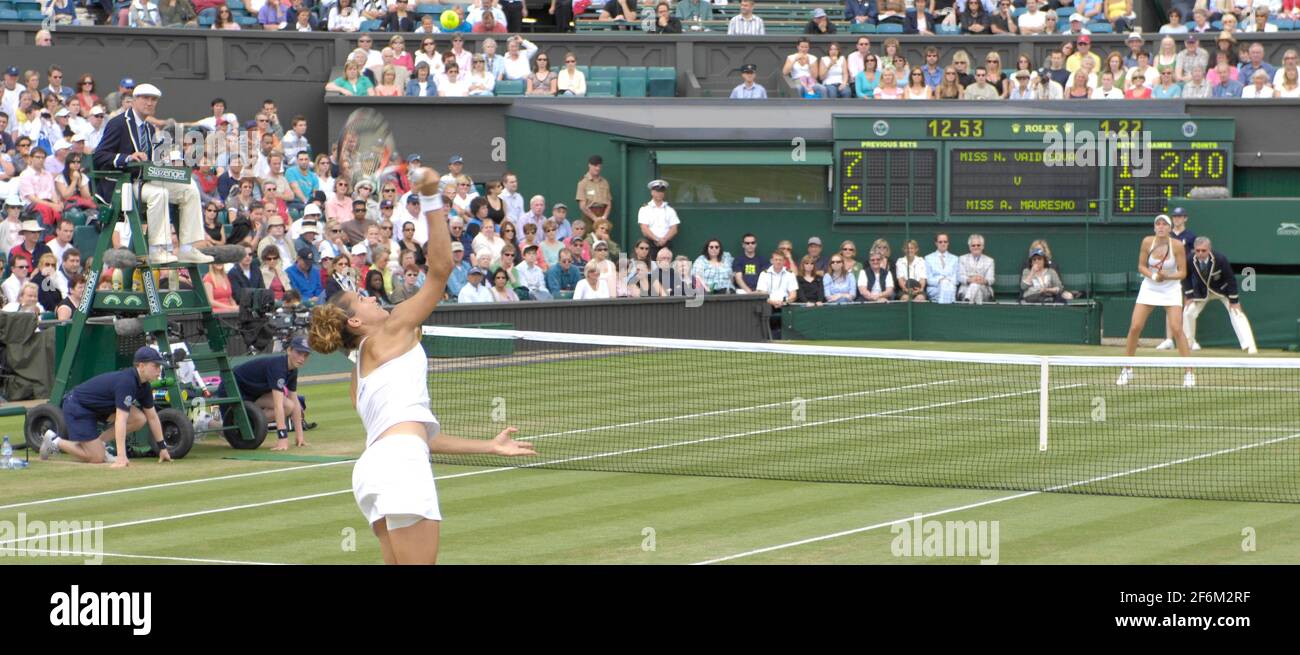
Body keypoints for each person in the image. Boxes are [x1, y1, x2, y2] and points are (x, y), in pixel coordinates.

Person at [307, 169, 534, 563]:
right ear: (356, 323)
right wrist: (431, 197)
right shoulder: (393, 328)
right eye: (363, 300)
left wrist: (490, 447)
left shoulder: (358, 370)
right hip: (400, 466)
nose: (372, 299)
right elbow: (441, 270)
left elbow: (418, 436)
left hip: (374, 471)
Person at [92, 83, 212, 265]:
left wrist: (165, 161)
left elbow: (149, 161)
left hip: (144, 181)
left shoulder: (148, 128)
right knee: (159, 193)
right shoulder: (118, 123)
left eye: (153, 99)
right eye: (145, 98)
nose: (149, 103)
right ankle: (158, 249)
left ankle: (187, 248)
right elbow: (99, 156)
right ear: (133, 100)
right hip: (121, 185)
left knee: (190, 188)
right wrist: (127, 157)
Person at [38, 347, 174, 467]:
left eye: (159, 366)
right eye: (155, 366)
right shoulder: (127, 382)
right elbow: (121, 420)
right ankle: (54, 440)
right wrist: (121, 457)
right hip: (78, 406)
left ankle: (99, 444)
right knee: (96, 458)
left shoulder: (144, 386)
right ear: (141, 366)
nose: (158, 370)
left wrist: (162, 448)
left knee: (139, 418)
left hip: (101, 408)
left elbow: (152, 417)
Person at [1117, 214, 1194, 388]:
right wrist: (1153, 275)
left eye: (1164, 224)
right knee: (1135, 326)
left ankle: (1189, 372)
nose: (1160, 227)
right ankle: (1126, 369)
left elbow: (1182, 272)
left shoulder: (1177, 246)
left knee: (1176, 328)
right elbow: (1141, 266)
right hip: (1150, 287)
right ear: (1154, 228)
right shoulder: (1147, 242)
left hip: (1171, 288)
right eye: (1158, 224)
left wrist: (1167, 276)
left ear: (1169, 228)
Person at [219, 337, 313, 450]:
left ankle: (247, 424)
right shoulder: (278, 367)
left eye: (305, 355)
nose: (301, 358)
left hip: (253, 394)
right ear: (289, 350)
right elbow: (278, 405)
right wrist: (282, 439)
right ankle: (211, 423)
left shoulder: (292, 369)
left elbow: (295, 402)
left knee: (289, 406)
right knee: (227, 429)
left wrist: (300, 436)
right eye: (298, 353)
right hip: (231, 389)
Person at [1182, 236, 1257, 354]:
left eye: (1203, 250)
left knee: (1237, 313)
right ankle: (1189, 343)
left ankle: (1249, 345)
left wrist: (1234, 301)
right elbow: (1185, 277)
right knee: (1188, 312)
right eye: (1197, 250)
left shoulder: (1220, 258)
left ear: (1209, 249)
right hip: (1202, 293)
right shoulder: (1190, 259)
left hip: (1222, 291)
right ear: (1194, 250)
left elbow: (1230, 279)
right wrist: (1189, 296)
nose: (1200, 253)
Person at [757, 250, 797, 338]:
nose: (778, 262)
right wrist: (773, 302)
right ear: (772, 260)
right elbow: (762, 295)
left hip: (785, 305)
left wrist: (784, 302)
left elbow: (793, 295)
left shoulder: (790, 274)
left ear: (784, 261)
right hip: (768, 304)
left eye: (780, 260)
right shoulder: (764, 274)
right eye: (776, 259)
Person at [637, 179, 679, 257]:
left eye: (661, 191)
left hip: (666, 244)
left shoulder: (670, 210)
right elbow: (644, 228)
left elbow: (674, 229)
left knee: (665, 268)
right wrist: (656, 239)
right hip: (650, 244)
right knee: (651, 267)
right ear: (652, 192)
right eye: (657, 191)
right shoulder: (645, 209)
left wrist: (664, 240)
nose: (659, 194)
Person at [958, 234, 995, 303]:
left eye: (978, 245)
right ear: (969, 247)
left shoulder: (990, 260)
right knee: (976, 289)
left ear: (983, 246)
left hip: (984, 289)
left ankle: (968, 301)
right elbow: (960, 277)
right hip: (966, 288)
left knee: (976, 285)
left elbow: (991, 279)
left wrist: (983, 280)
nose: (976, 247)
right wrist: (970, 280)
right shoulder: (962, 259)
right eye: (973, 245)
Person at [924, 233, 959, 303]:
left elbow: (956, 279)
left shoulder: (955, 258)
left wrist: (946, 281)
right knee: (945, 286)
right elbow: (928, 279)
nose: (943, 244)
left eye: (945, 242)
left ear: (948, 243)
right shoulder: (928, 258)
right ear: (936, 243)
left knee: (947, 287)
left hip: (950, 287)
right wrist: (940, 281)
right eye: (940, 242)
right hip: (934, 289)